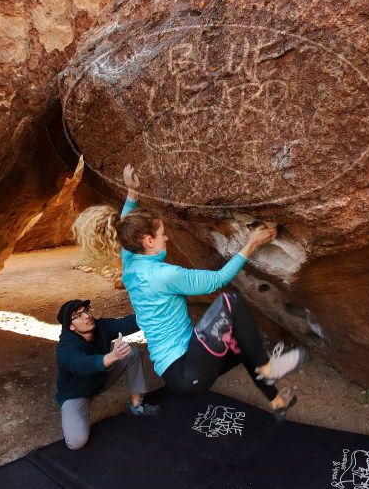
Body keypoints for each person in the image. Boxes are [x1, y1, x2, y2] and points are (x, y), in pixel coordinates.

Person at [72, 164, 308, 418]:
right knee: (230, 302)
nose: (167, 238)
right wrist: (252, 244)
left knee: (241, 343)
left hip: (180, 370)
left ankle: (276, 400)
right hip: (187, 371)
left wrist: (132, 192)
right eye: (162, 234)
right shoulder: (164, 275)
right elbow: (218, 279)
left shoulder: (130, 262)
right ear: (148, 241)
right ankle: (267, 367)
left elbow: (125, 232)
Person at [55, 298, 161, 450]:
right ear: (71, 326)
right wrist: (113, 356)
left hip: (101, 379)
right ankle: (72, 420)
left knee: (132, 351)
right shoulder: (65, 348)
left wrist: (155, 310)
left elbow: (126, 323)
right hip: (77, 393)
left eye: (86, 310)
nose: (86, 316)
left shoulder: (100, 326)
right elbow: (83, 365)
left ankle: (137, 404)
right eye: (78, 316)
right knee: (76, 442)